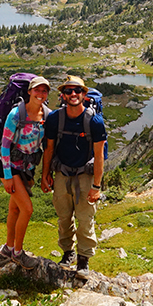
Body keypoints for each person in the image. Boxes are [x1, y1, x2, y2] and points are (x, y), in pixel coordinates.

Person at [40, 75, 106, 279]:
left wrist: (96, 185)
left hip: (86, 175)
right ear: (63, 95)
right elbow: (49, 149)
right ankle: (67, 253)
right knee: (63, 216)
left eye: (77, 91)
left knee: (85, 218)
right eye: (68, 91)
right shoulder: (54, 119)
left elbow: (99, 156)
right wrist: (45, 175)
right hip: (62, 173)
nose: (73, 94)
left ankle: (83, 259)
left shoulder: (94, 121)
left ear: (84, 94)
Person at [0, 75, 50, 270]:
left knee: (15, 208)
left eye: (44, 91)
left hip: (28, 168)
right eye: (37, 89)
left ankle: (8, 248)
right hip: (11, 166)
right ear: (29, 91)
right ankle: (18, 254)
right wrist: (7, 176)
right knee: (27, 209)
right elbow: (4, 146)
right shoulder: (16, 115)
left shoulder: (47, 115)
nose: (40, 94)